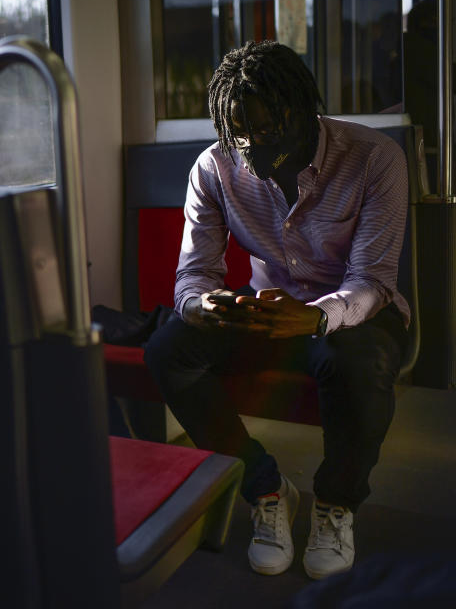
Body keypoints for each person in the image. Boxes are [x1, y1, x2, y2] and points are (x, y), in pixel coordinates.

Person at [144, 40, 409, 581]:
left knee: (359, 362)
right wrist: (203, 304)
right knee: (168, 349)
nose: (249, 146)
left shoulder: (374, 158)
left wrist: (315, 318)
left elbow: (372, 282)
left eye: (265, 131)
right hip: (268, 309)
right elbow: (192, 276)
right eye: (237, 132)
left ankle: (335, 504)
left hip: (353, 314)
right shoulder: (214, 167)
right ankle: (264, 487)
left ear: (303, 111)